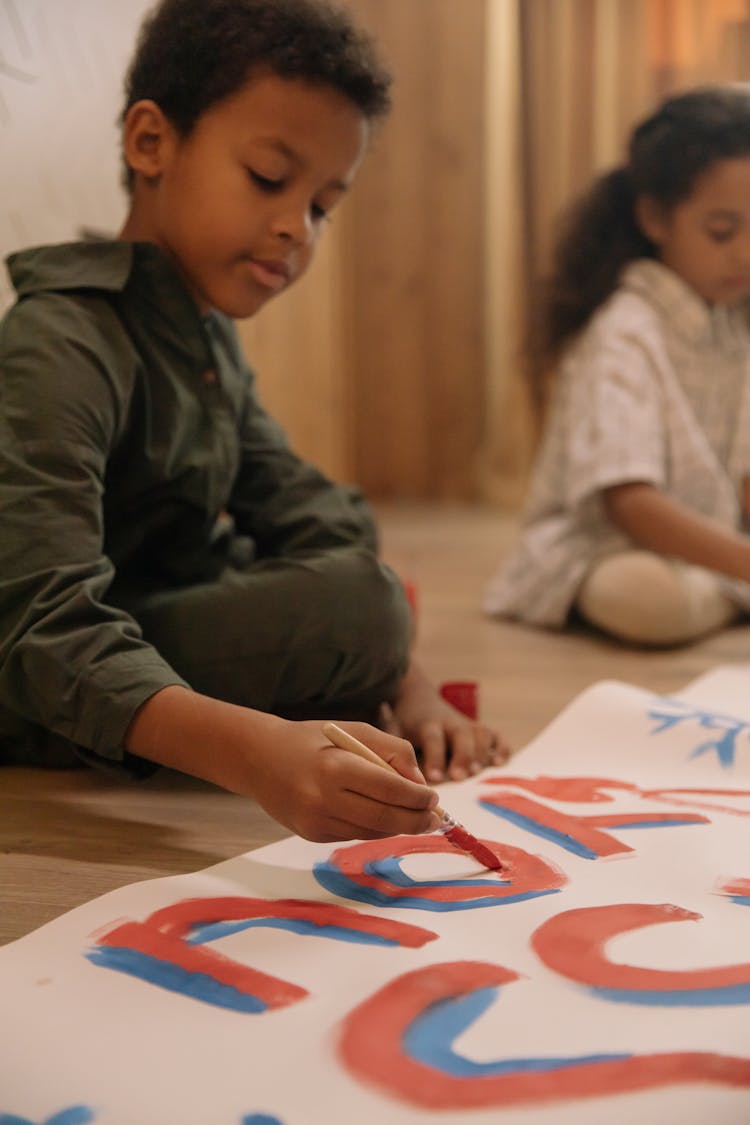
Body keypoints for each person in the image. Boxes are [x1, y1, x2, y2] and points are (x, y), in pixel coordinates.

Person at [0, 0, 507, 843]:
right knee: (358, 612)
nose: (295, 228)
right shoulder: (64, 337)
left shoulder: (206, 338)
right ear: (151, 143)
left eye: (322, 206)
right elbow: (40, 619)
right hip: (37, 671)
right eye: (271, 178)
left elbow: (310, 510)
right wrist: (256, 756)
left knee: (358, 588)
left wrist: (413, 686)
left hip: (156, 614)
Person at [484, 85, 750, 647]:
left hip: (703, 549)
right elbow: (630, 505)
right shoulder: (624, 331)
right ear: (655, 218)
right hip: (608, 550)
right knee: (646, 598)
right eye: (723, 231)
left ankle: (721, 591)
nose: (745, 253)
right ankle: (726, 594)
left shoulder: (730, 322)